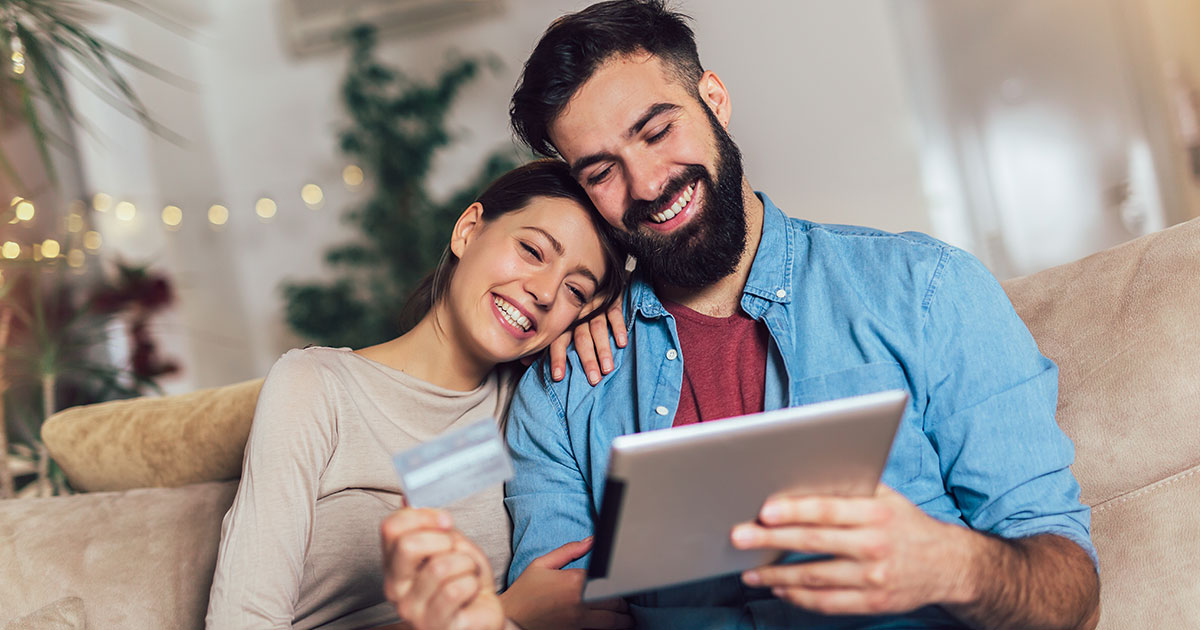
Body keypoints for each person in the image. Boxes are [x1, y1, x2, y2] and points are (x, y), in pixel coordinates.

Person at [382, 2, 1102, 629]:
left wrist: (953, 567)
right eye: (601, 171)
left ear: (715, 100)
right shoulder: (567, 383)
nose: (648, 183)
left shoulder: (926, 289)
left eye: (657, 130)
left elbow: (1072, 596)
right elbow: (563, 612)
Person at [205, 160, 634, 630]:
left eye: (575, 289)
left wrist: (621, 305)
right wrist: (506, 613)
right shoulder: (316, 387)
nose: (546, 292)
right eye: (532, 250)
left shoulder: (530, 413)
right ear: (468, 230)